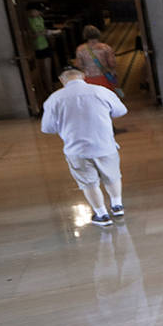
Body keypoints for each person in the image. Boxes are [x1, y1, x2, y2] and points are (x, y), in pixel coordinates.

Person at [41, 67, 128, 227]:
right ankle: (117, 206)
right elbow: (120, 111)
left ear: (62, 80)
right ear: (83, 77)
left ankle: (102, 215)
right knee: (112, 176)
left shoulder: (54, 99)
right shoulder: (101, 91)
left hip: (77, 150)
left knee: (89, 183)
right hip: (105, 145)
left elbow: (47, 128)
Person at [75, 25, 121, 94]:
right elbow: (112, 64)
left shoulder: (80, 49)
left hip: (88, 79)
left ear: (85, 35)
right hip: (103, 77)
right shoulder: (105, 48)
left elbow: (79, 65)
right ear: (98, 33)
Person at [27, 2, 53, 96]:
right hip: (34, 48)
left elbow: (43, 30)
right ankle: (42, 92)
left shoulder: (40, 18)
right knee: (38, 71)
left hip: (44, 45)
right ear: (31, 11)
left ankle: (50, 89)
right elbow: (30, 35)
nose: (39, 13)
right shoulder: (27, 21)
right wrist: (39, 33)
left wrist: (44, 33)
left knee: (46, 69)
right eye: (37, 11)